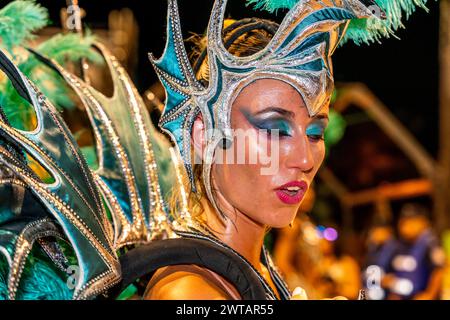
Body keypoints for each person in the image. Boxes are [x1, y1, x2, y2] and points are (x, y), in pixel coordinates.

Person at [0, 0, 430, 300]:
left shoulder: (246, 267)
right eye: (275, 129)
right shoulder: (188, 291)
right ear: (204, 134)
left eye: (314, 133)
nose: (304, 159)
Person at [383, 204, 445, 300]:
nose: (407, 227)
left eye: (412, 222)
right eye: (404, 222)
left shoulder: (430, 242)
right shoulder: (398, 245)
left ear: (423, 222)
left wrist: (430, 294)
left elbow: (439, 270)